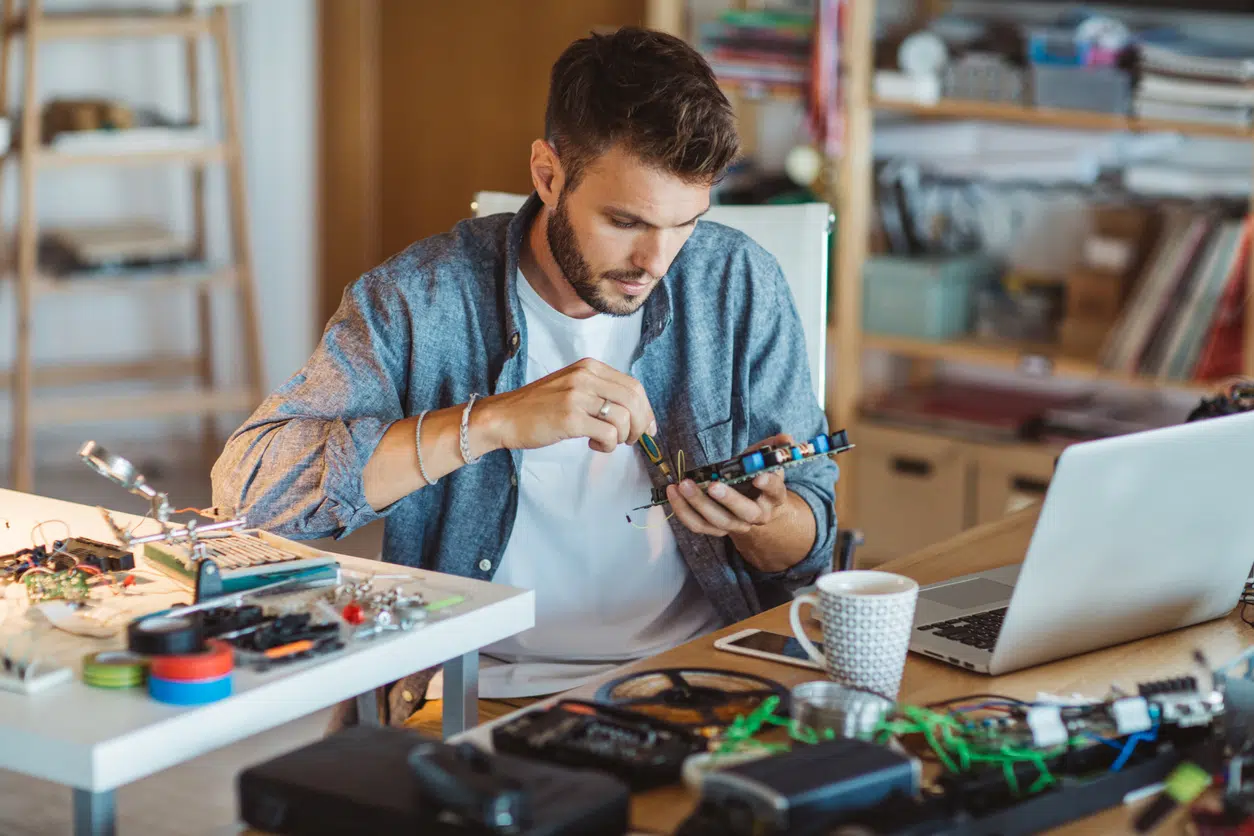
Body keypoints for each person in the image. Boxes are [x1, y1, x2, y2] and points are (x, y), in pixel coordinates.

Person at [211, 26, 839, 732]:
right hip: (480, 691)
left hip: (701, 676)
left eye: (685, 224)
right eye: (625, 221)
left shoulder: (738, 281)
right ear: (547, 175)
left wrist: (765, 521)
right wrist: (491, 422)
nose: (655, 259)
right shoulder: (420, 299)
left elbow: (810, 537)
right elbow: (249, 493)